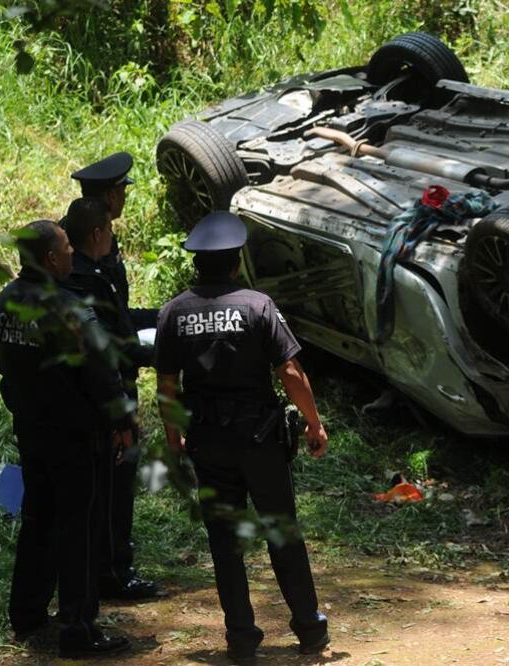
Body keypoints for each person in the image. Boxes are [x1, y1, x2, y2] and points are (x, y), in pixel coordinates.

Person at [153, 211, 330, 662]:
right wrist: (314, 422)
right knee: (281, 531)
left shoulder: (173, 312)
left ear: (197, 263)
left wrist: (174, 439)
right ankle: (310, 629)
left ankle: (241, 639)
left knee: (225, 543)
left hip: (208, 443)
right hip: (260, 440)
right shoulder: (257, 306)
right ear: (236, 263)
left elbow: (166, 385)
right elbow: (289, 370)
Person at [0, 220, 134, 657]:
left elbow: (0, 363)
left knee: (38, 520)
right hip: (76, 437)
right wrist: (122, 423)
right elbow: (102, 375)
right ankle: (78, 628)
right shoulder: (71, 311)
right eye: (67, 246)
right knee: (80, 530)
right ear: (52, 258)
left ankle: (27, 614)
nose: (73, 251)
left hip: (32, 432)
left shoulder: (2, 303)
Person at [70, 154, 159, 600]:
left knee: (117, 482)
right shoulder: (81, 263)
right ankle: (112, 573)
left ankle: (112, 565)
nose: (125, 196)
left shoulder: (102, 246)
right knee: (111, 485)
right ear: (109, 197)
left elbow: (119, 315)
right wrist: (153, 354)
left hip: (116, 379)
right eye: (122, 190)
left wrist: (165, 314)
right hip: (105, 390)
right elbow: (102, 340)